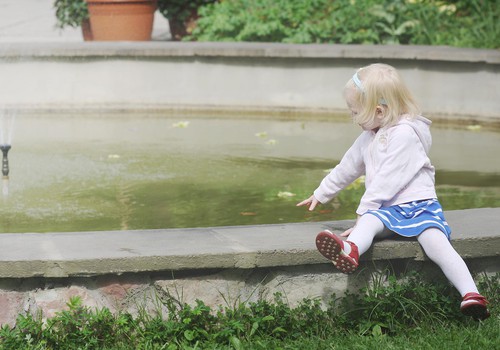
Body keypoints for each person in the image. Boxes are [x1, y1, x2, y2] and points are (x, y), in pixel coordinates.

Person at [296, 63, 490, 320]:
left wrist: (361, 213)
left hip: (420, 208)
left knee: (438, 246)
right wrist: (321, 192)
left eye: (354, 112)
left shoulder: (405, 135)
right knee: (371, 221)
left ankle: (471, 294)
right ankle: (350, 250)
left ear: (378, 110)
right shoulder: (370, 134)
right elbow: (348, 166)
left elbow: (385, 183)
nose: (352, 118)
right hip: (390, 211)